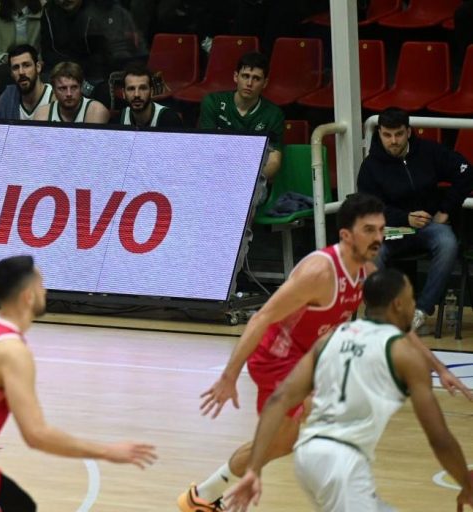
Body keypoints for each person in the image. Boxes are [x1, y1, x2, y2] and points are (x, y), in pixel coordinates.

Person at [178, 193, 471, 511]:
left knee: (289, 440)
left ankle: (204, 495)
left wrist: (439, 368)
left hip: (311, 355)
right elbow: (262, 318)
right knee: (293, 437)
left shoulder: (367, 271)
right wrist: (230, 375)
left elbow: (398, 323)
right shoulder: (319, 273)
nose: (378, 237)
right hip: (277, 356)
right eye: (369, 230)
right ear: (346, 235)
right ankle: (207, 497)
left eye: (381, 229)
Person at [0, 255, 157, 511]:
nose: (45, 291)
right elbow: (37, 435)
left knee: (21, 507)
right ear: (28, 296)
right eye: (42, 285)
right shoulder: (12, 352)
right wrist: (107, 452)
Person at [223, 269, 473, 512]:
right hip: (342, 463)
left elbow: (280, 399)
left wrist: (254, 469)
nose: (414, 305)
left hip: (308, 455)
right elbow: (439, 438)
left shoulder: (330, 338)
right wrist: (466, 483)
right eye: (411, 299)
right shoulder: (404, 354)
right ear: (398, 304)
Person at [357, 107, 473, 333]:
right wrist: (404, 218)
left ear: (409, 131)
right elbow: (370, 208)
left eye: (399, 134)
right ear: (379, 133)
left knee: (447, 244)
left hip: (428, 225)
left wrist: (446, 210)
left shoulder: (428, 151)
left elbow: (466, 171)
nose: (393, 141)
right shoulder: (370, 166)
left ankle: (421, 310)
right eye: (387, 135)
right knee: (371, 251)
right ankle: (383, 314)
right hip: (389, 228)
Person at [198, 52, 284, 181]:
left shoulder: (273, 114)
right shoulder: (213, 103)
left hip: (254, 179)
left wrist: (253, 180)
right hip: (215, 174)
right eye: (245, 76)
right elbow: (206, 149)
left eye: (256, 78)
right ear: (236, 77)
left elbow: (274, 161)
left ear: (265, 83)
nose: (249, 83)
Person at [32, 61, 109, 123]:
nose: (69, 94)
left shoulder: (96, 110)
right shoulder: (43, 115)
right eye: (63, 88)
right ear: (54, 90)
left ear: (81, 87)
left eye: (74, 87)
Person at [112, 61, 183, 128]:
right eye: (131, 89)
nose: (137, 94)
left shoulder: (169, 120)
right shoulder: (119, 120)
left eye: (143, 88)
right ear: (123, 93)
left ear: (151, 92)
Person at [0, 44, 52, 121]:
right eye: (15, 68)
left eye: (26, 65)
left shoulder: (55, 98)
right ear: (11, 73)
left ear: (38, 67)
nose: (21, 72)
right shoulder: (6, 100)